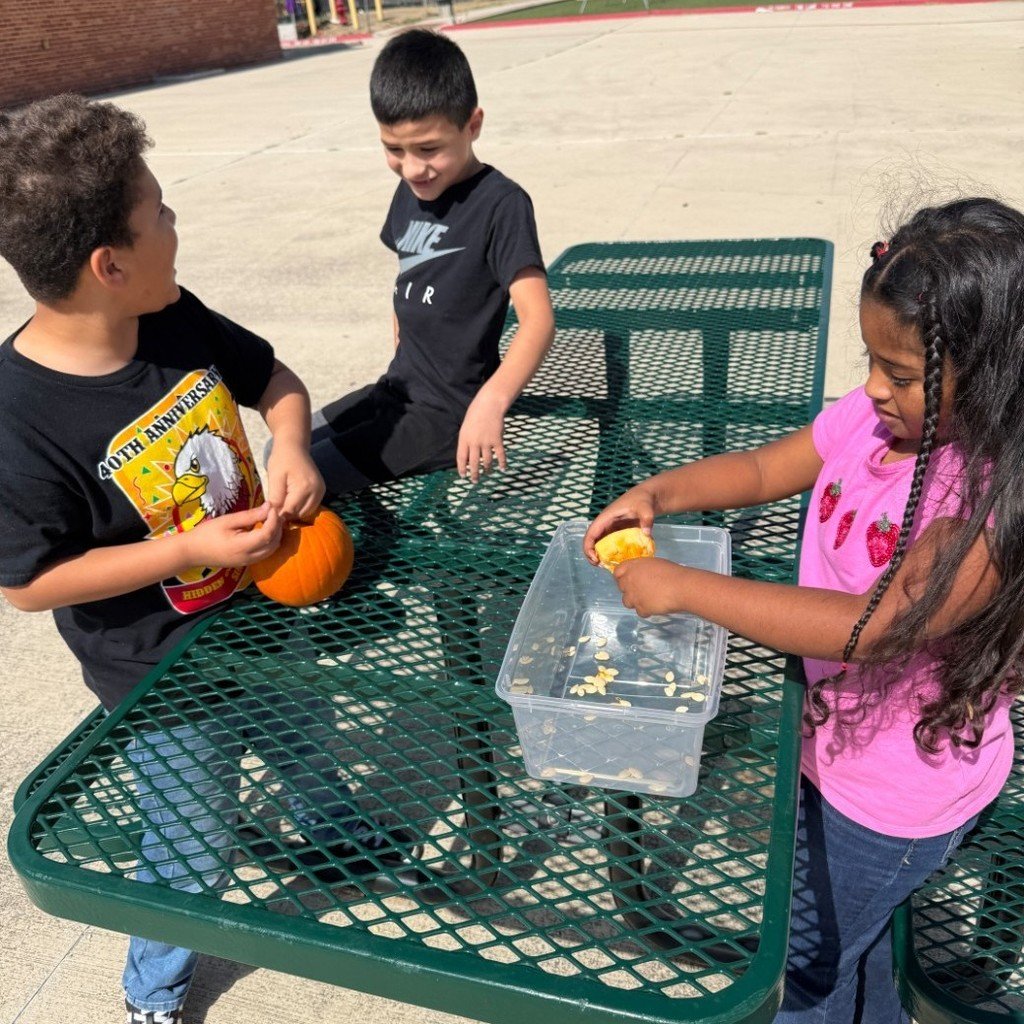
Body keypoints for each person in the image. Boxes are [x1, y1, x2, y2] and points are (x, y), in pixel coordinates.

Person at [0, 95, 405, 1024]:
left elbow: (278, 383)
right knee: (192, 838)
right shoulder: (20, 418)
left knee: (306, 729)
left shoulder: (173, 316)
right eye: (160, 213)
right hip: (157, 669)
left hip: (259, 605)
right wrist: (180, 548)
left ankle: (335, 833)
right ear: (109, 265)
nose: (175, 225)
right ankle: (156, 987)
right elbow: (27, 584)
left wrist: (292, 446)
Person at [583, 197, 1024, 1023]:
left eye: (898, 374)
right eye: (871, 359)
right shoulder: (871, 421)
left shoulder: (983, 511)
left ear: (994, 372)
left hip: (890, 800)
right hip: (830, 747)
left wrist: (685, 589)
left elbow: (873, 628)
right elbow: (760, 469)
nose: (871, 389)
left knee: (809, 971)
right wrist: (659, 494)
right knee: (846, 953)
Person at [305, 28, 555, 491]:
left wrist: (491, 402)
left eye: (429, 149)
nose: (413, 167)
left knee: (307, 476)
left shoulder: (501, 204)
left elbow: (538, 320)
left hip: (448, 412)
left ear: (472, 125)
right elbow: (407, 272)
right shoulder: (408, 192)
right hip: (397, 390)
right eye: (393, 149)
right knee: (282, 449)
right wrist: (401, 343)